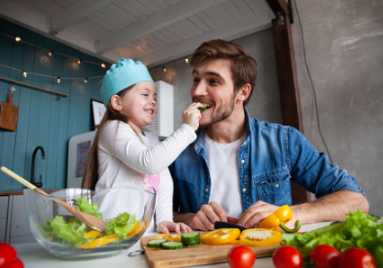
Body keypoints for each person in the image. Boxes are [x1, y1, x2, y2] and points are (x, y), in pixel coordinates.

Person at [169, 39, 369, 231]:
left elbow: (356, 200)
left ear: (243, 92)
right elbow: (155, 213)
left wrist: (288, 214)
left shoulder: (284, 141)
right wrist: (188, 218)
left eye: (213, 81)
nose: (197, 90)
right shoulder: (176, 149)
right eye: (196, 80)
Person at [82, 58, 202, 234]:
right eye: (145, 95)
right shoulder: (112, 129)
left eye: (154, 96)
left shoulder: (152, 139)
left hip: (142, 235)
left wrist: (164, 220)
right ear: (117, 103)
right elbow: (149, 163)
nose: (153, 101)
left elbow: (163, 182)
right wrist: (187, 129)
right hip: (110, 233)